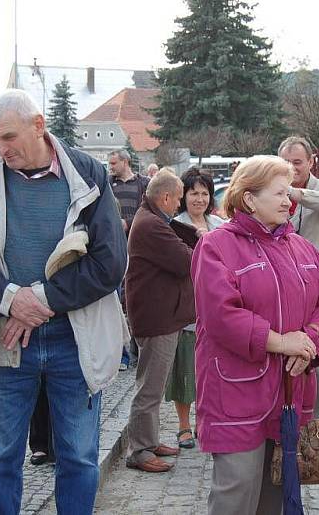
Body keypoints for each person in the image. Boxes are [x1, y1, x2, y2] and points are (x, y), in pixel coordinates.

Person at [0, 89, 128, 514]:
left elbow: (111, 263)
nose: (0, 149)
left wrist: (43, 298)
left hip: (75, 340)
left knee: (79, 458)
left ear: (38, 125)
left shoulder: (86, 173)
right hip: (9, 343)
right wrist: (11, 298)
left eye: (8, 137)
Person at [192, 156, 319, 514]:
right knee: (235, 495)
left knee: (276, 491)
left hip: (289, 392)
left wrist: (308, 345)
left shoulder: (302, 248)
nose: (289, 201)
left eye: (290, 193)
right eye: (280, 193)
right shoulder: (216, 246)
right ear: (249, 199)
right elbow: (221, 315)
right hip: (236, 395)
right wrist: (281, 342)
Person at [124, 168, 195, 472]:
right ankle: (139, 451)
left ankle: (148, 442)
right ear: (165, 197)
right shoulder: (151, 224)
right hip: (157, 318)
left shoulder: (151, 218)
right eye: (178, 198)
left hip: (160, 315)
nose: (179, 204)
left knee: (152, 384)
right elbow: (185, 261)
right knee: (149, 388)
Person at [277, 136, 319, 420]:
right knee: (286, 364)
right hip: (282, 289)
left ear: (311, 162)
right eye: (286, 163)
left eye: (297, 162)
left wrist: (293, 193)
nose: (292, 168)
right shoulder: (272, 190)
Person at [165, 167, 225, 450]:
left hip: (215, 306)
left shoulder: (219, 224)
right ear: (183, 196)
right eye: (193, 193)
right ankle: (183, 425)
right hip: (187, 307)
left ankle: (206, 421)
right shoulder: (175, 226)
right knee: (185, 369)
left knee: (210, 372)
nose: (199, 199)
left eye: (204, 193)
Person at [109, 149, 151, 369]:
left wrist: (128, 222)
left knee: (136, 298)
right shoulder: (108, 183)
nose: (111, 167)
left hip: (138, 249)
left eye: (114, 163)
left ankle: (137, 351)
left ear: (125, 162)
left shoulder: (143, 183)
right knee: (117, 301)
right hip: (115, 249)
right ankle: (121, 355)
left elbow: (149, 209)